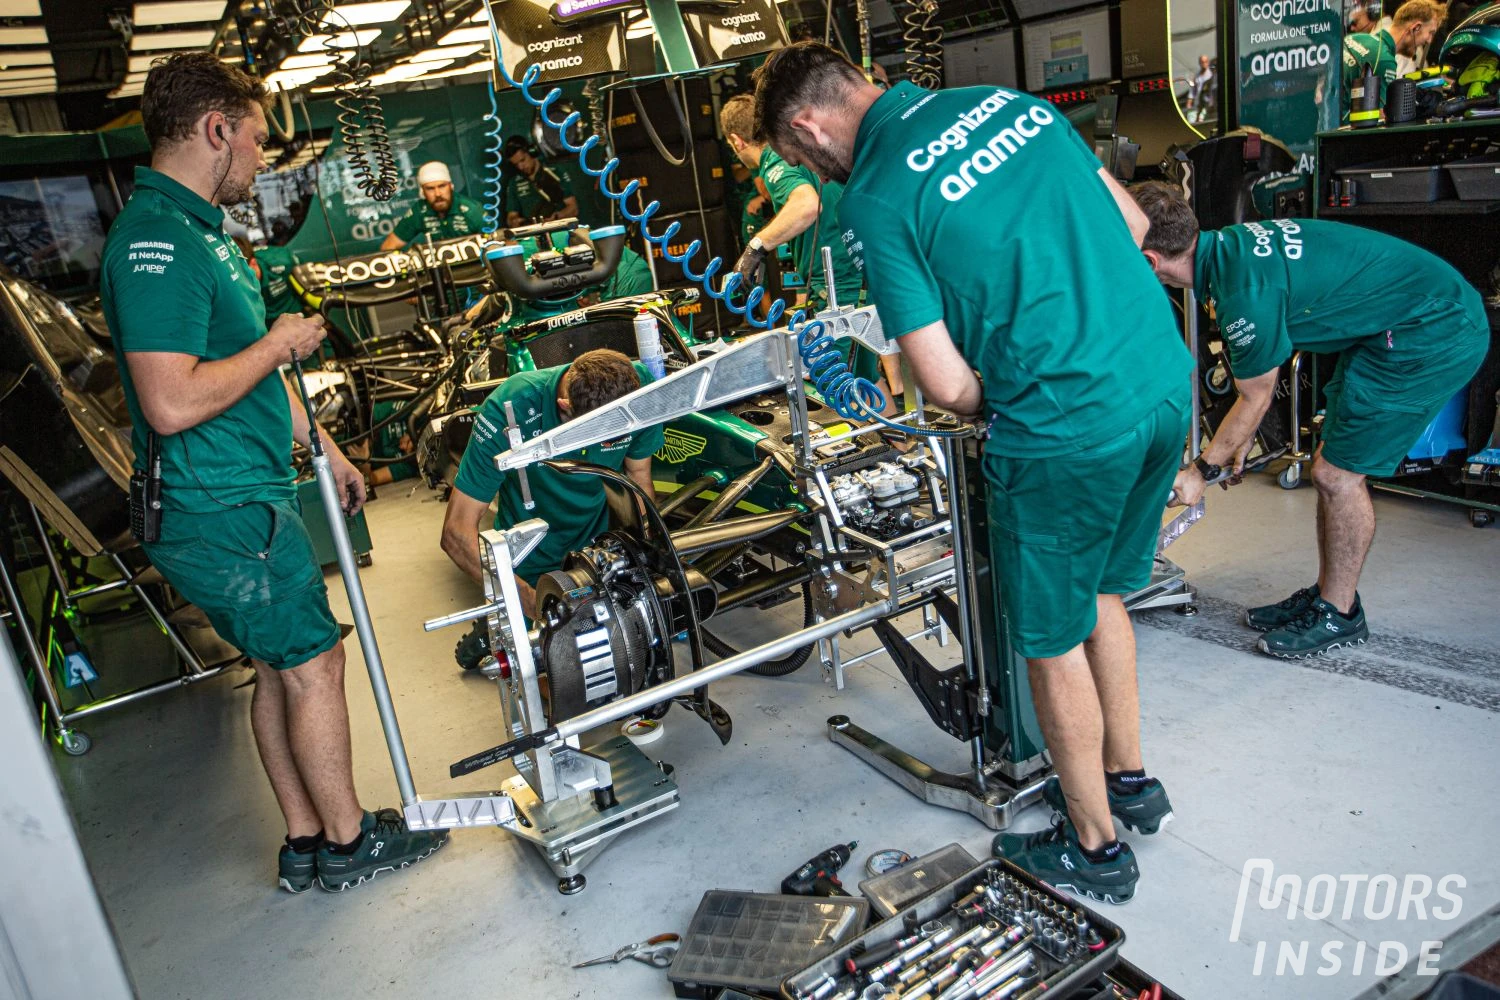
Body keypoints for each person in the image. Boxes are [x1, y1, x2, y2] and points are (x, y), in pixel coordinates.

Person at [753, 42, 1193, 904]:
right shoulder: (1010, 102)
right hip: (1159, 382)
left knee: (1048, 638)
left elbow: (950, 385)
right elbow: (1134, 228)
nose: (812, 170)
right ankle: (1132, 780)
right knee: (1102, 592)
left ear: (807, 124)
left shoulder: (877, 200)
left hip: (1066, 428)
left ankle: (1097, 847)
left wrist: (1031, 378)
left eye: (800, 156)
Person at [98, 52, 446, 893]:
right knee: (316, 663)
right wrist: (278, 343)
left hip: (244, 491)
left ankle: (306, 841)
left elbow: (250, 379)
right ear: (217, 129)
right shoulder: (155, 241)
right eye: (255, 141)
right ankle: (352, 840)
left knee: (278, 666)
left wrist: (322, 447)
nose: (260, 160)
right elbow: (170, 402)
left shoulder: (202, 235)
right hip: (220, 506)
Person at [1131, 183, 1488, 657]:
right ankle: (1327, 593)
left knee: (1337, 476)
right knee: (1329, 466)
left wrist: (1200, 472)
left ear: (1150, 261)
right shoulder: (1229, 250)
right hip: (1394, 324)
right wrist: (1234, 445)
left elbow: (1256, 396)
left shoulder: (1243, 292)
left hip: (1431, 331)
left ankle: (1340, 614)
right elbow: (1256, 392)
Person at [440, 350, 662, 651]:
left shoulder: (634, 389)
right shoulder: (509, 408)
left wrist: (650, 559)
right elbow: (456, 533)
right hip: (531, 566)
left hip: (594, 551)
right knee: (561, 674)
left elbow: (639, 479)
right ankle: (492, 632)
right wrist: (529, 602)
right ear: (565, 406)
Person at [720, 93, 893, 407]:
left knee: (838, 390)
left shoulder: (775, 159)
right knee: (866, 379)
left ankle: (869, 454)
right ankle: (903, 449)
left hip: (838, 286)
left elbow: (806, 205)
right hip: (859, 275)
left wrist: (755, 248)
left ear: (736, 141)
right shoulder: (798, 146)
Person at [1342, 0, 1446, 119]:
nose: (1429, 41)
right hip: (1342, 132)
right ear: (1416, 28)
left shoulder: (1355, 37)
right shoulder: (1385, 60)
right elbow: (1381, 118)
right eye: (1430, 33)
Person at [380, 161, 487, 251]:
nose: (438, 194)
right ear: (422, 192)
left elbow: (494, 242)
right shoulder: (419, 210)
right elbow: (388, 246)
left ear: (451, 186)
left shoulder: (472, 209)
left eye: (442, 186)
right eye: (430, 188)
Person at [502, 136, 579, 228]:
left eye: (522, 160)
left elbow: (573, 208)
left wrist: (555, 217)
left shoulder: (555, 172)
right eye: (516, 164)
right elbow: (511, 217)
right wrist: (515, 221)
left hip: (559, 229)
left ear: (532, 152)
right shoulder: (514, 183)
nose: (521, 167)